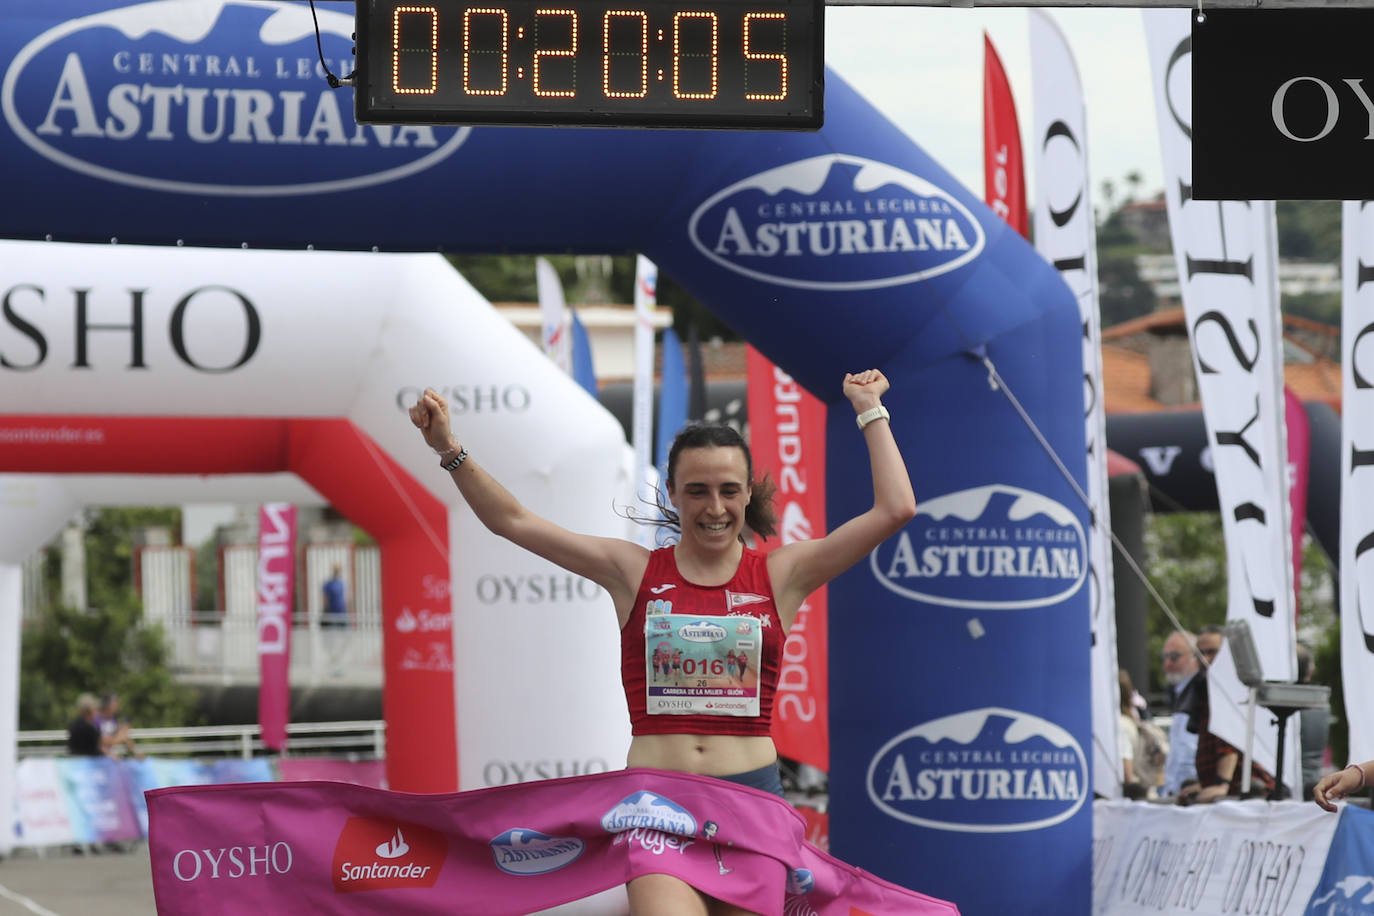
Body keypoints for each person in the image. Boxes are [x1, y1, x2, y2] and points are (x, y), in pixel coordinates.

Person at [410, 369, 915, 916]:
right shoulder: (631, 571)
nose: (714, 507)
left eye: (728, 491)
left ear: (748, 494)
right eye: (697, 491)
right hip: (657, 807)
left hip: (752, 803)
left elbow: (895, 510)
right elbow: (512, 521)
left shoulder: (781, 574)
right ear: (672, 493)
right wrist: (450, 450)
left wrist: (869, 410)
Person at [1177, 625, 1276, 804]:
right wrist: (1205, 784)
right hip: (1228, 791)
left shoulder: (1233, 688)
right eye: (1200, 653)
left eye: (1212, 652)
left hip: (1246, 794)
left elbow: (1229, 741)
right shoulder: (1207, 688)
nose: (1205, 659)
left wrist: (1221, 784)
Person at [1160, 629, 1202, 796]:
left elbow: (1188, 754)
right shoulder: (1179, 692)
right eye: (1165, 657)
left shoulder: (1200, 691)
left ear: (1194, 657)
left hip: (1190, 794)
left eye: (1175, 656)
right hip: (1178, 794)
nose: (1168, 663)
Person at [1296, 644, 1331, 798]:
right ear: (1311, 671)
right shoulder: (1321, 704)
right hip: (1313, 788)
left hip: (1287, 788)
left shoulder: (1274, 707)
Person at [96, 692, 142, 758]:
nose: (117, 705)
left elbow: (124, 738)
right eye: (115, 702)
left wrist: (137, 754)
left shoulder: (113, 719)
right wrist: (110, 754)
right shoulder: (96, 719)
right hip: (97, 758)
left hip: (110, 758)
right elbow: (98, 742)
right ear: (107, 704)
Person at [322, 564, 348, 628]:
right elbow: (325, 598)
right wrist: (325, 610)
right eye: (335, 570)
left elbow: (345, 598)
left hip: (342, 612)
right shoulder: (328, 584)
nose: (337, 572)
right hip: (331, 612)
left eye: (338, 570)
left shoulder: (342, 583)